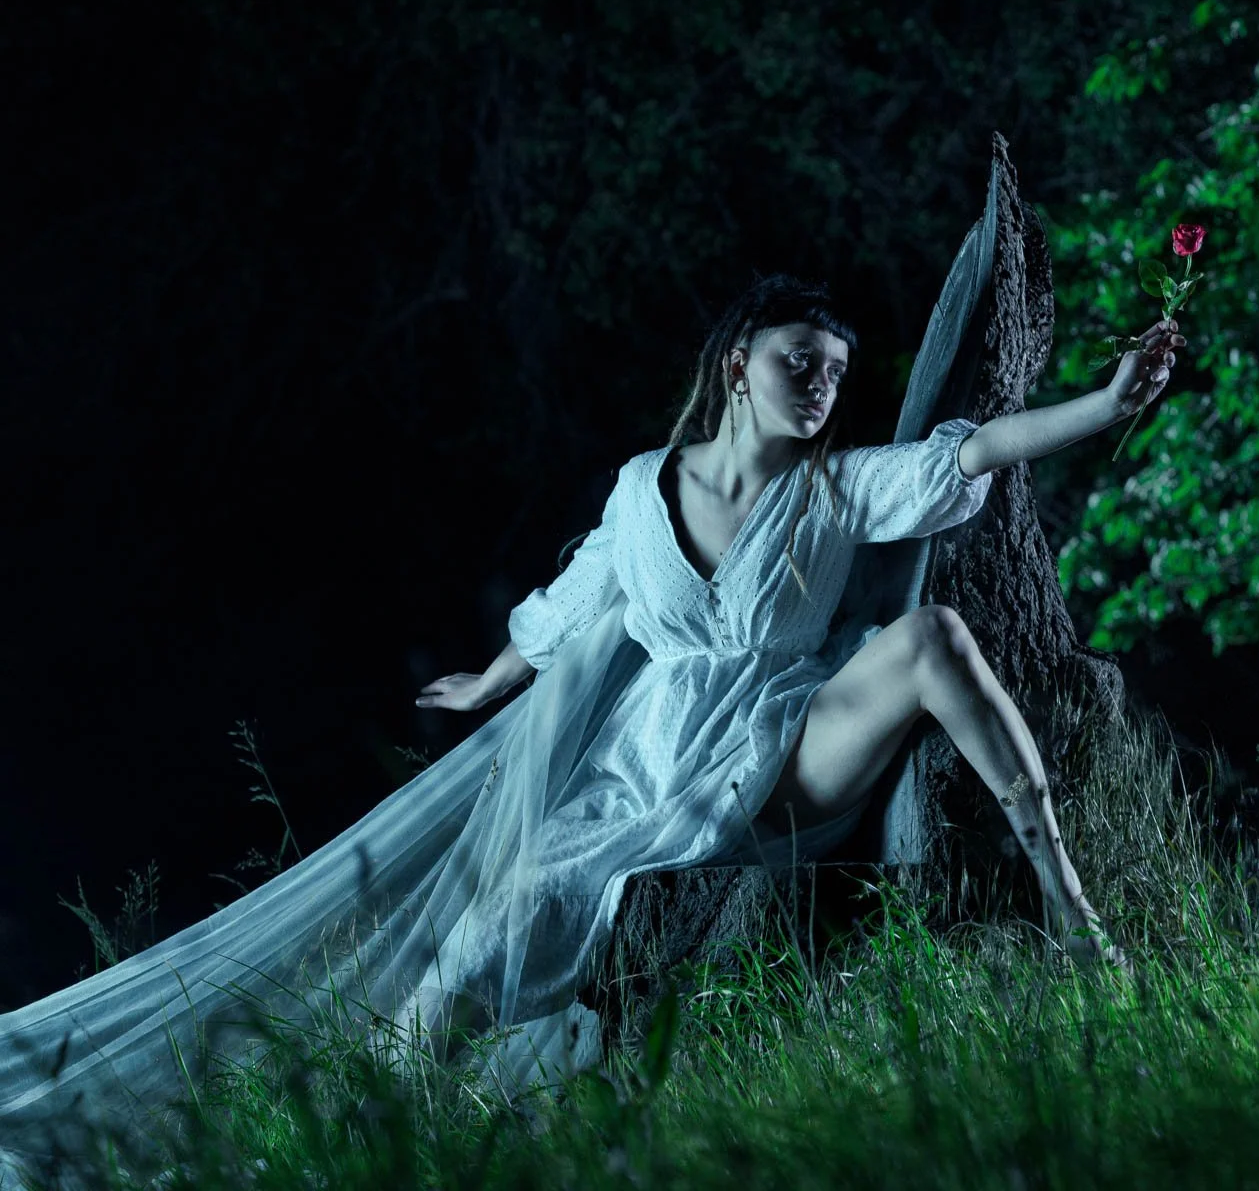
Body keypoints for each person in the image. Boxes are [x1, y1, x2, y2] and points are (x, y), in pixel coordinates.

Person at [0, 272, 1182, 1188]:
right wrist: (488, 679)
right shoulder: (641, 486)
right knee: (489, 935)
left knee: (931, 635)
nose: (821, 383)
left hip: (781, 740)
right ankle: (371, 1136)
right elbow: (578, 600)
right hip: (643, 768)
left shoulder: (836, 488)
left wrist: (1106, 404)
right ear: (738, 364)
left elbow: (972, 450)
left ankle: (1072, 906)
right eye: (798, 359)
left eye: (834, 370)